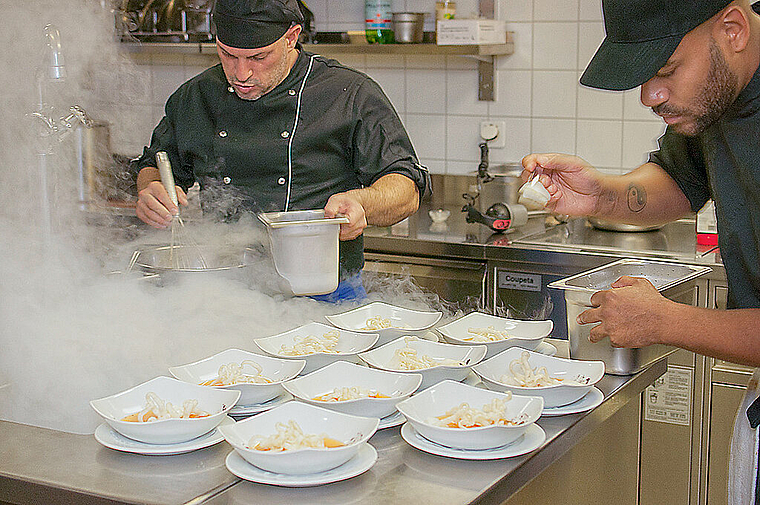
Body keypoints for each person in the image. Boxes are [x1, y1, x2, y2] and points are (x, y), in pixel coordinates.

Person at [520, 0, 760, 502]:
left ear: (733, 28)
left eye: (666, 70)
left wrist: (664, 322)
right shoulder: (719, 97)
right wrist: (600, 194)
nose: (650, 95)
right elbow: (679, 179)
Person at [133, 0, 430, 301]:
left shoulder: (349, 93)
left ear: (291, 37)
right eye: (227, 54)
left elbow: (405, 190)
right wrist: (151, 189)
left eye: (258, 57)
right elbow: (155, 162)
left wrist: (364, 202)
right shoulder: (195, 96)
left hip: (324, 292)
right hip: (224, 292)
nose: (241, 73)